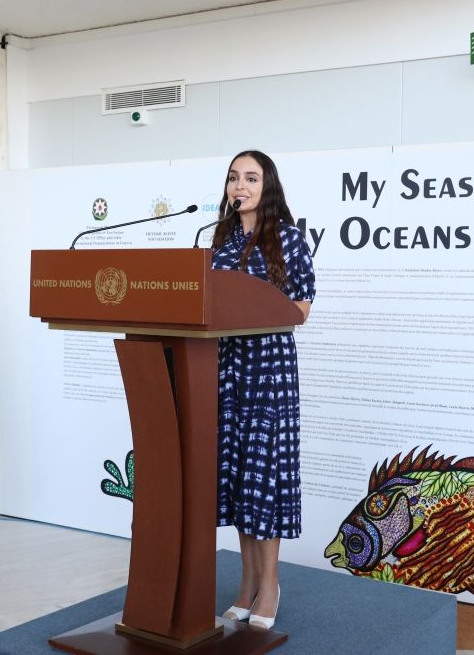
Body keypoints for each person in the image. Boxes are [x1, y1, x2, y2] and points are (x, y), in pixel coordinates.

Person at [211, 150, 315, 630]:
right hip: (228, 369)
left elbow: (299, 310)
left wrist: (251, 313)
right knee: (237, 480)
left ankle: (270, 584)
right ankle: (246, 584)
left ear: (267, 186)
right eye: (235, 178)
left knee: (264, 479)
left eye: (251, 178)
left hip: (269, 370)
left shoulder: (289, 239)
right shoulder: (221, 240)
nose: (240, 186)